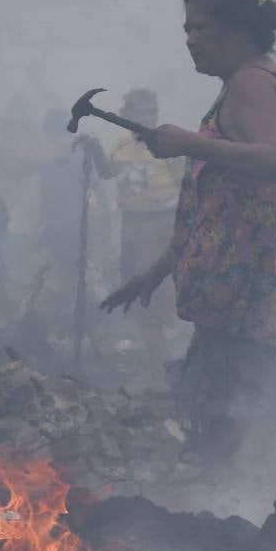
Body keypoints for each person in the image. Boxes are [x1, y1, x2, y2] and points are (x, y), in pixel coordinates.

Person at [102, 0, 276, 460]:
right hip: (238, 289)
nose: (192, 41)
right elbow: (218, 208)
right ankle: (227, 499)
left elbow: (272, 160)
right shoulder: (244, 81)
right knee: (223, 410)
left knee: (231, 416)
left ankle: (233, 507)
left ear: (238, 31)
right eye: (187, 31)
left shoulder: (253, 82)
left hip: (250, 289)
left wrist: (188, 144)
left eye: (202, 29)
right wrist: (152, 274)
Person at [85, 89, 185, 387]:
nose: (149, 118)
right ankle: (160, 365)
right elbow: (107, 173)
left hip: (162, 226)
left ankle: (161, 369)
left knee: (156, 294)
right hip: (133, 226)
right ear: (127, 115)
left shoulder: (169, 145)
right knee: (139, 292)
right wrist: (92, 149)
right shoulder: (122, 144)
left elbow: (188, 185)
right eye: (142, 112)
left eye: (153, 112)